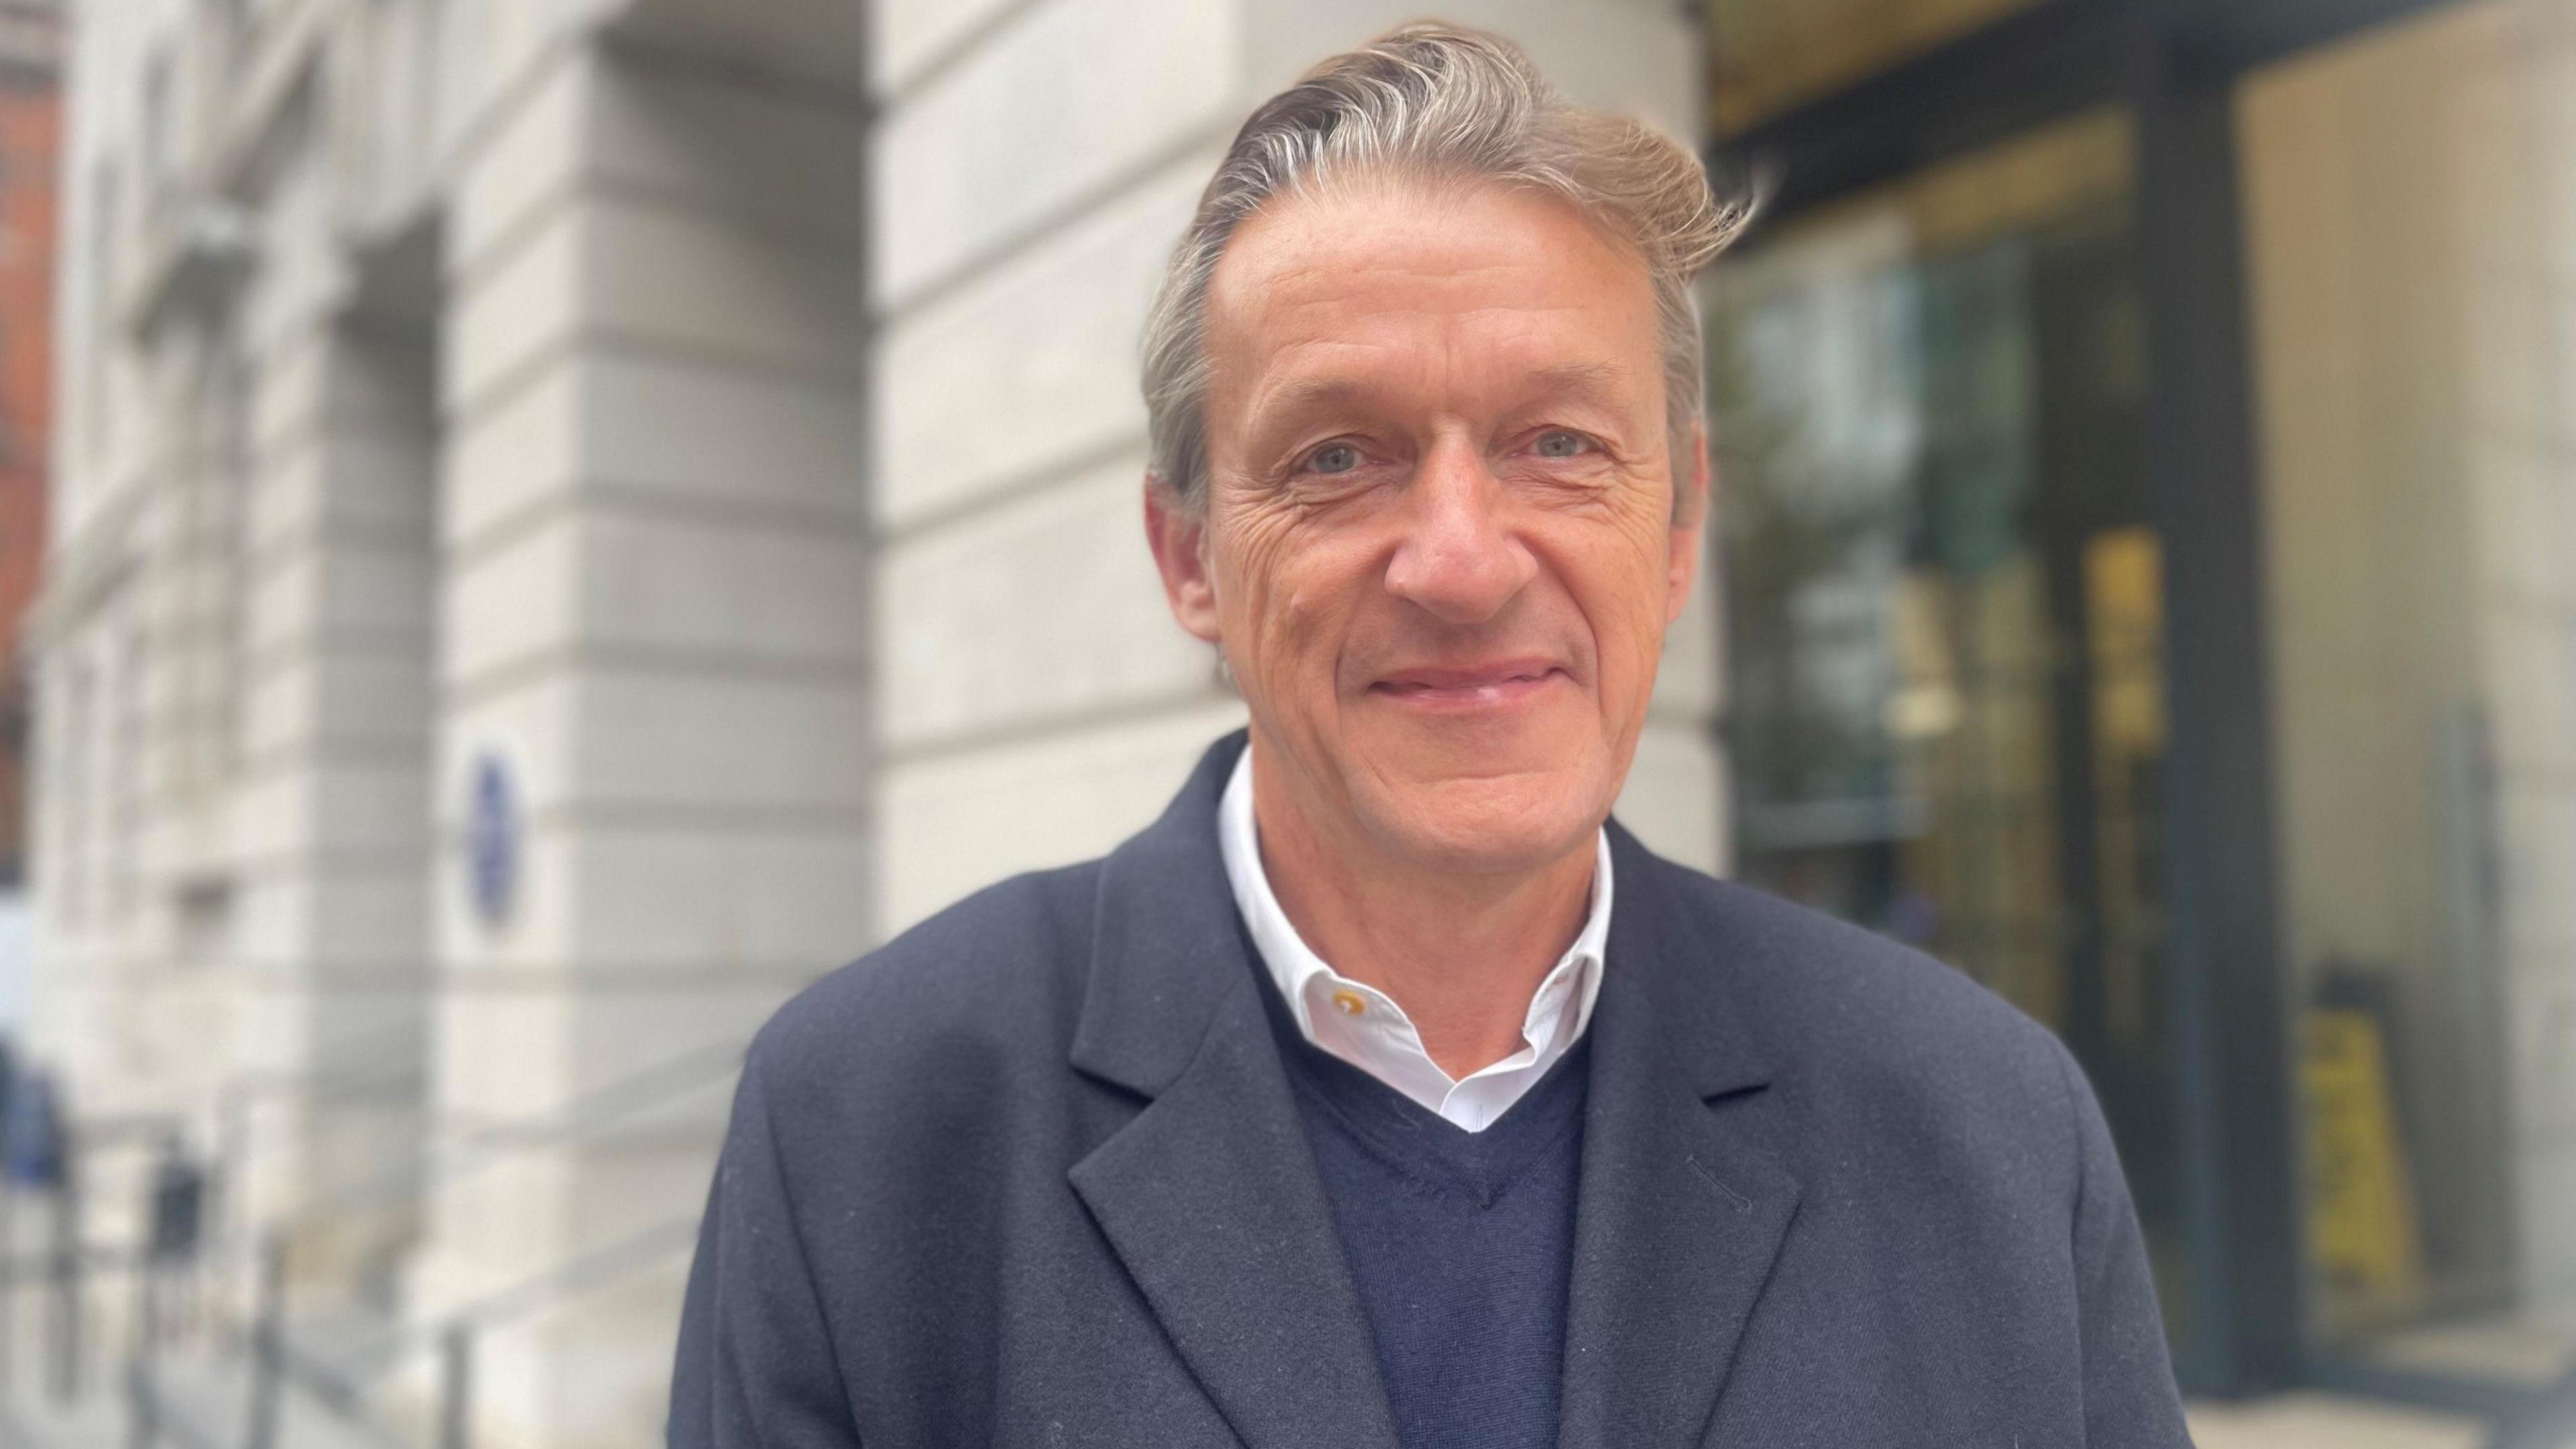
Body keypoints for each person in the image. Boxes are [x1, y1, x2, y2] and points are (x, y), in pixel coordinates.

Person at [668, 23, 2188, 1449]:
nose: (1462, 562)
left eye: (1560, 445)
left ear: (1677, 532)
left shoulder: (1988, 1129)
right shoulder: (867, 1134)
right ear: (1191, 559)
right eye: (1340, 457)